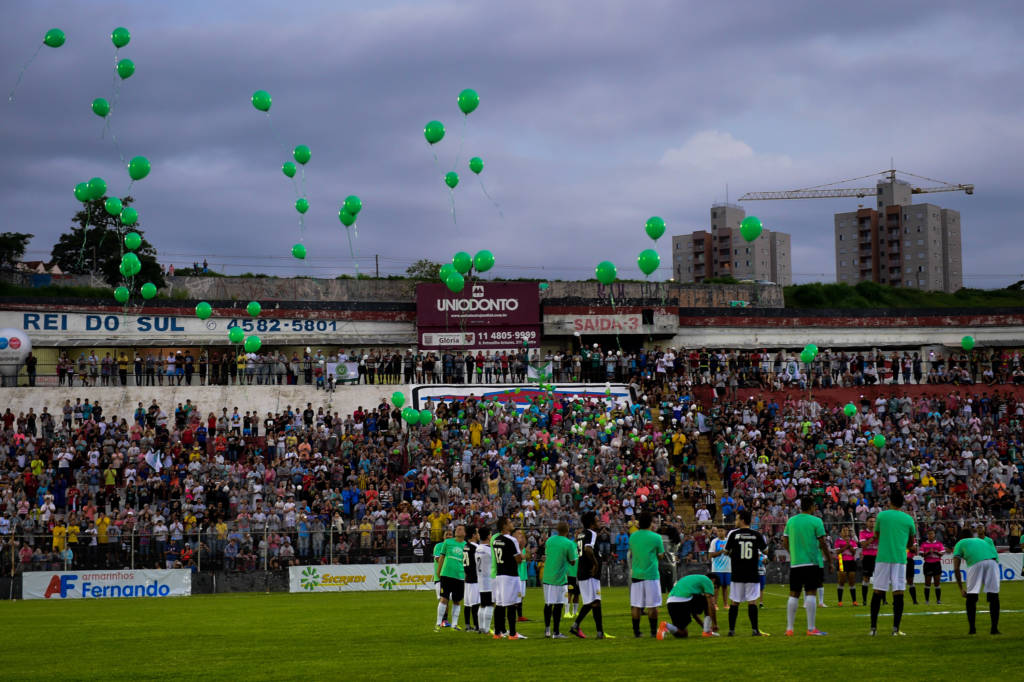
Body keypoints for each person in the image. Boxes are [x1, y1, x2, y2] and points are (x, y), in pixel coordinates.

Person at [869, 490, 917, 637]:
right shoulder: (908, 519)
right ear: (902, 503)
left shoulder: (881, 516)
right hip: (899, 559)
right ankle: (895, 629)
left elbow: (877, 534)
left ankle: (873, 629)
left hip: (883, 557)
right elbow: (911, 542)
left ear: (890, 502)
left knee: (878, 591)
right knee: (898, 592)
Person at [782, 496, 831, 636]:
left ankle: (789, 629)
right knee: (811, 592)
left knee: (794, 593)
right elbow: (823, 543)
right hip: (811, 562)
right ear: (811, 507)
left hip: (796, 563)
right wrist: (829, 560)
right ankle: (811, 629)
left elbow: (784, 541)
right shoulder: (816, 521)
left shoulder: (791, 521)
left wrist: (792, 553)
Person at [724, 509, 768, 636]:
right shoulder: (756, 534)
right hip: (752, 572)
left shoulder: (734, 534)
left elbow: (726, 552)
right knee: (752, 601)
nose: (735, 521)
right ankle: (755, 630)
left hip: (737, 572)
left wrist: (735, 554)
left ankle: (731, 630)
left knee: (735, 602)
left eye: (737, 519)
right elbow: (765, 551)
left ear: (742, 520)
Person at [952, 535, 1001, 635]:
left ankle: (972, 629)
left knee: (972, 596)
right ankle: (994, 629)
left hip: (976, 563)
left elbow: (956, 568)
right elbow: (995, 555)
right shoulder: (981, 540)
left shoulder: (959, 543)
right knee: (994, 596)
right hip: (993, 562)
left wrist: (961, 588)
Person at [628, 511, 666, 638]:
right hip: (651, 575)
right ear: (650, 523)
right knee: (652, 605)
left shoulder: (633, 536)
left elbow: (633, 551)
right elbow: (661, 555)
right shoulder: (656, 537)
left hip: (636, 574)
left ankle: (636, 631)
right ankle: (653, 631)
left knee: (636, 605)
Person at [571, 511, 607, 639]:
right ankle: (598, 631)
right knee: (595, 601)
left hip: (582, 571)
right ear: (592, 524)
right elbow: (588, 549)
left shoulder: (581, 534)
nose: (599, 522)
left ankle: (597, 631)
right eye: (597, 520)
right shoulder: (592, 533)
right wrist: (595, 564)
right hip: (590, 572)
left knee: (592, 601)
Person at [491, 517, 526, 639]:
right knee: (512, 604)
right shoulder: (512, 540)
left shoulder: (496, 540)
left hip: (499, 575)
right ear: (504, 526)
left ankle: (497, 633)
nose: (512, 524)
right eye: (510, 522)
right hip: (510, 575)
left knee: (499, 604)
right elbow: (518, 559)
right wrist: (521, 550)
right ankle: (512, 633)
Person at [541, 522, 577, 639]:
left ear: (557, 529)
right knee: (559, 604)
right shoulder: (569, 543)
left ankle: (547, 630)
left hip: (547, 576)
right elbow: (573, 561)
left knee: (548, 603)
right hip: (560, 578)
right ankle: (556, 632)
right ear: (567, 530)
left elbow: (547, 555)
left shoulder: (550, 540)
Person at [656, 573, 719, 639]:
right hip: (683, 601)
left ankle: (666, 626)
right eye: (714, 587)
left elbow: (693, 612)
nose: (713, 589)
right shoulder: (707, 580)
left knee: (683, 634)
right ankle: (707, 632)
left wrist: (703, 626)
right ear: (713, 580)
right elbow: (711, 605)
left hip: (671, 603)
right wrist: (714, 624)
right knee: (707, 600)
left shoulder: (693, 581)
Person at [434, 523, 466, 633]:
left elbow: (466, 562)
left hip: (460, 576)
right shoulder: (447, 543)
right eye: (457, 529)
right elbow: (442, 557)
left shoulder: (466, 545)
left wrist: (466, 576)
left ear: (464, 533)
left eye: (460, 529)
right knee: (444, 598)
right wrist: (439, 571)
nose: (457, 530)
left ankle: (454, 624)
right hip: (446, 574)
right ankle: (438, 623)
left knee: (457, 601)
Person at [431, 528, 453, 629]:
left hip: (451, 576)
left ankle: (444, 620)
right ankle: (441, 620)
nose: (448, 536)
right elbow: (438, 559)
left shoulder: (454, 547)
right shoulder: (438, 546)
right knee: (442, 599)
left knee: (447, 599)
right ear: (443, 537)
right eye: (446, 534)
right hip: (439, 577)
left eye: (450, 534)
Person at [476, 527, 495, 635]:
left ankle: (481, 627)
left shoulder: (478, 548)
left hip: (480, 579)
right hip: (489, 579)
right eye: (491, 534)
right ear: (488, 536)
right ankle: (487, 629)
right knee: (490, 604)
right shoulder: (489, 549)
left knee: (483, 604)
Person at [462, 525, 481, 633]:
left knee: (467, 603)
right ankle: (477, 626)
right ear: (473, 535)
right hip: (474, 578)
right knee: (475, 603)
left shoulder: (465, 546)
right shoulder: (476, 547)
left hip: (468, 578)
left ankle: (467, 625)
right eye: (477, 533)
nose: (478, 535)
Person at [834, 526, 859, 606]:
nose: (845, 532)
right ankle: (840, 601)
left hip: (851, 561)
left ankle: (854, 601)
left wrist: (849, 546)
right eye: (844, 530)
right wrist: (846, 546)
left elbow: (854, 552)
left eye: (847, 530)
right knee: (842, 580)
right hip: (841, 561)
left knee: (852, 580)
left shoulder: (852, 541)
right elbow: (838, 552)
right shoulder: (838, 541)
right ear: (840, 533)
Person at [920, 529, 946, 605]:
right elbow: (921, 554)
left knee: (937, 583)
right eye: (929, 534)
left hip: (936, 564)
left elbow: (942, 553)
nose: (930, 535)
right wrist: (928, 553)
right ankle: (927, 601)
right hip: (928, 564)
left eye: (932, 534)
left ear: (934, 535)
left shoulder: (939, 543)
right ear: (927, 535)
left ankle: (938, 600)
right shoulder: (924, 544)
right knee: (927, 583)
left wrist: (936, 552)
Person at [859, 515, 880, 606]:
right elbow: (864, 545)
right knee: (866, 578)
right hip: (867, 557)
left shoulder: (879, 532)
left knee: (880, 578)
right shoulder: (863, 533)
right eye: (870, 521)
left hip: (878, 557)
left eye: (874, 521)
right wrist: (873, 537)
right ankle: (864, 600)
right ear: (866, 523)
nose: (872, 523)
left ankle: (884, 600)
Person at [709, 526, 731, 608]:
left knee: (725, 587)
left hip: (727, 568)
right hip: (717, 568)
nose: (720, 532)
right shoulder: (714, 541)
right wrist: (720, 552)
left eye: (722, 531)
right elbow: (711, 555)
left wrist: (728, 553)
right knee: (716, 587)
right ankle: (715, 604)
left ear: (725, 532)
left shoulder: (729, 541)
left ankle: (726, 604)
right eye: (719, 531)